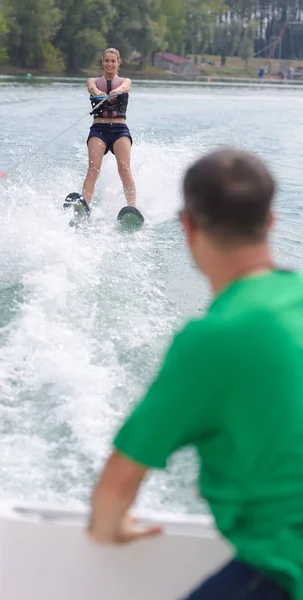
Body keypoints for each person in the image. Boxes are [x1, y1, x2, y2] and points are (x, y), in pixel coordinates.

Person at [87, 147, 303, 599]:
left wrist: (113, 529)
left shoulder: (213, 338)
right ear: (270, 222)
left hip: (284, 568)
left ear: (187, 226)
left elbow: (116, 488)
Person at [83, 48, 136, 209]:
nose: (110, 64)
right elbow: (92, 88)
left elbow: (126, 87)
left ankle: (132, 208)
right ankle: (85, 206)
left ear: (118, 63)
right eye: (107, 60)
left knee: (125, 170)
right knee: (93, 168)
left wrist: (117, 91)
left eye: (113, 61)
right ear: (103, 62)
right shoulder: (92, 81)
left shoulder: (125, 81)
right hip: (99, 129)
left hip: (120, 130)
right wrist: (99, 93)